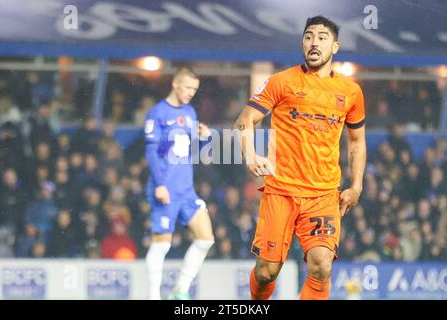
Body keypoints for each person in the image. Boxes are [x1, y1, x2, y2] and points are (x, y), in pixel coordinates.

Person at [234, 16, 366, 300]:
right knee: (267, 272)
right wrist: (250, 155)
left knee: (321, 266)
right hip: (280, 192)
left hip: (323, 195)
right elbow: (245, 120)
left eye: (321, 37)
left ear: (336, 46)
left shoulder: (350, 92)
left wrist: (356, 185)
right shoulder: (281, 82)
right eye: (308, 36)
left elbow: (357, 140)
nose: (314, 42)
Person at [144, 68, 214, 300]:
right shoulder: (158, 113)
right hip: (165, 188)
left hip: (186, 189)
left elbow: (189, 152)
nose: (191, 93)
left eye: (195, 89)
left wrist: (202, 139)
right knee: (161, 245)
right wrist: (160, 184)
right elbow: (152, 151)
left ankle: (180, 290)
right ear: (175, 84)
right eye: (187, 87)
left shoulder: (190, 112)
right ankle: (154, 296)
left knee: (206, 239)